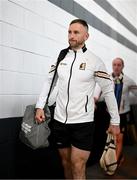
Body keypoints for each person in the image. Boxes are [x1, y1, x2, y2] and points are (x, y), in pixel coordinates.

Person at [35, 19, 120, 179]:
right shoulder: (61, 57)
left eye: (76, 32)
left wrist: (115, 121)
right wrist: (40, 106)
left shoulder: (95, 61)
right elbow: (49, 82)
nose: (71, 36)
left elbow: (108, 91)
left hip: (83, 123)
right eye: (69, 32)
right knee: (66, 163)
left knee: (78, 165)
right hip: (60, 121)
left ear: (86, 36)